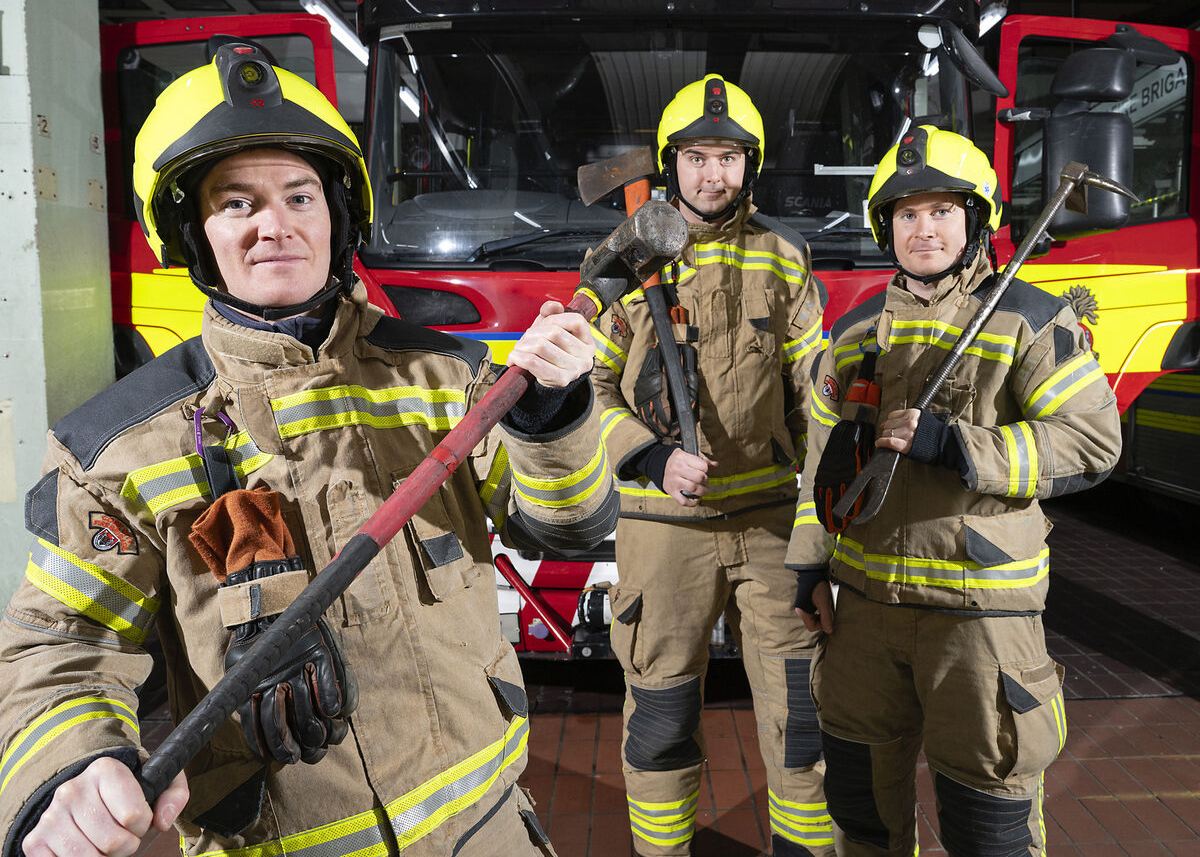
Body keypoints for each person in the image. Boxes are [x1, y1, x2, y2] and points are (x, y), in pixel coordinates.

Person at [0, 43, 617, 857]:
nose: (274, 225)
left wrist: (551, 413)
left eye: (299, 194)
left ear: (337, 214)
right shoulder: (118, 448)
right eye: (235, 203)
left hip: (489, 829)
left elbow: (565, 526)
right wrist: (69, 766)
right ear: (192, 232)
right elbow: (62, 644)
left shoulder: (444, 377)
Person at [788, 125, 1123, 855]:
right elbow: (820, 462)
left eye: (942, 210)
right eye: (907, 214)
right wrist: (808, 567)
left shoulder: (1029, 320)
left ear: (976, 221)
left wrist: (961, 446)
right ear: (887, 229)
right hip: (864, 617)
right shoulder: (850, 336)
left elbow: (1093, 443)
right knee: (860, 811)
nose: (924, 229)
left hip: (979, 623)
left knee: (988, 824)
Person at [589, 75, 833, 857]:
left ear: (748, 166)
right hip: (664, 529)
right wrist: (652, 456)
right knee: (660, 718)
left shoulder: (784, 257)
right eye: (696, 157)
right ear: (670, 166)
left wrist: (815, 538)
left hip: (768, 521)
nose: (712, 175)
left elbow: (815, 406)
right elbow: (583, 391)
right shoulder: (621, 259)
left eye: (727, 157)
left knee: (803, 718)